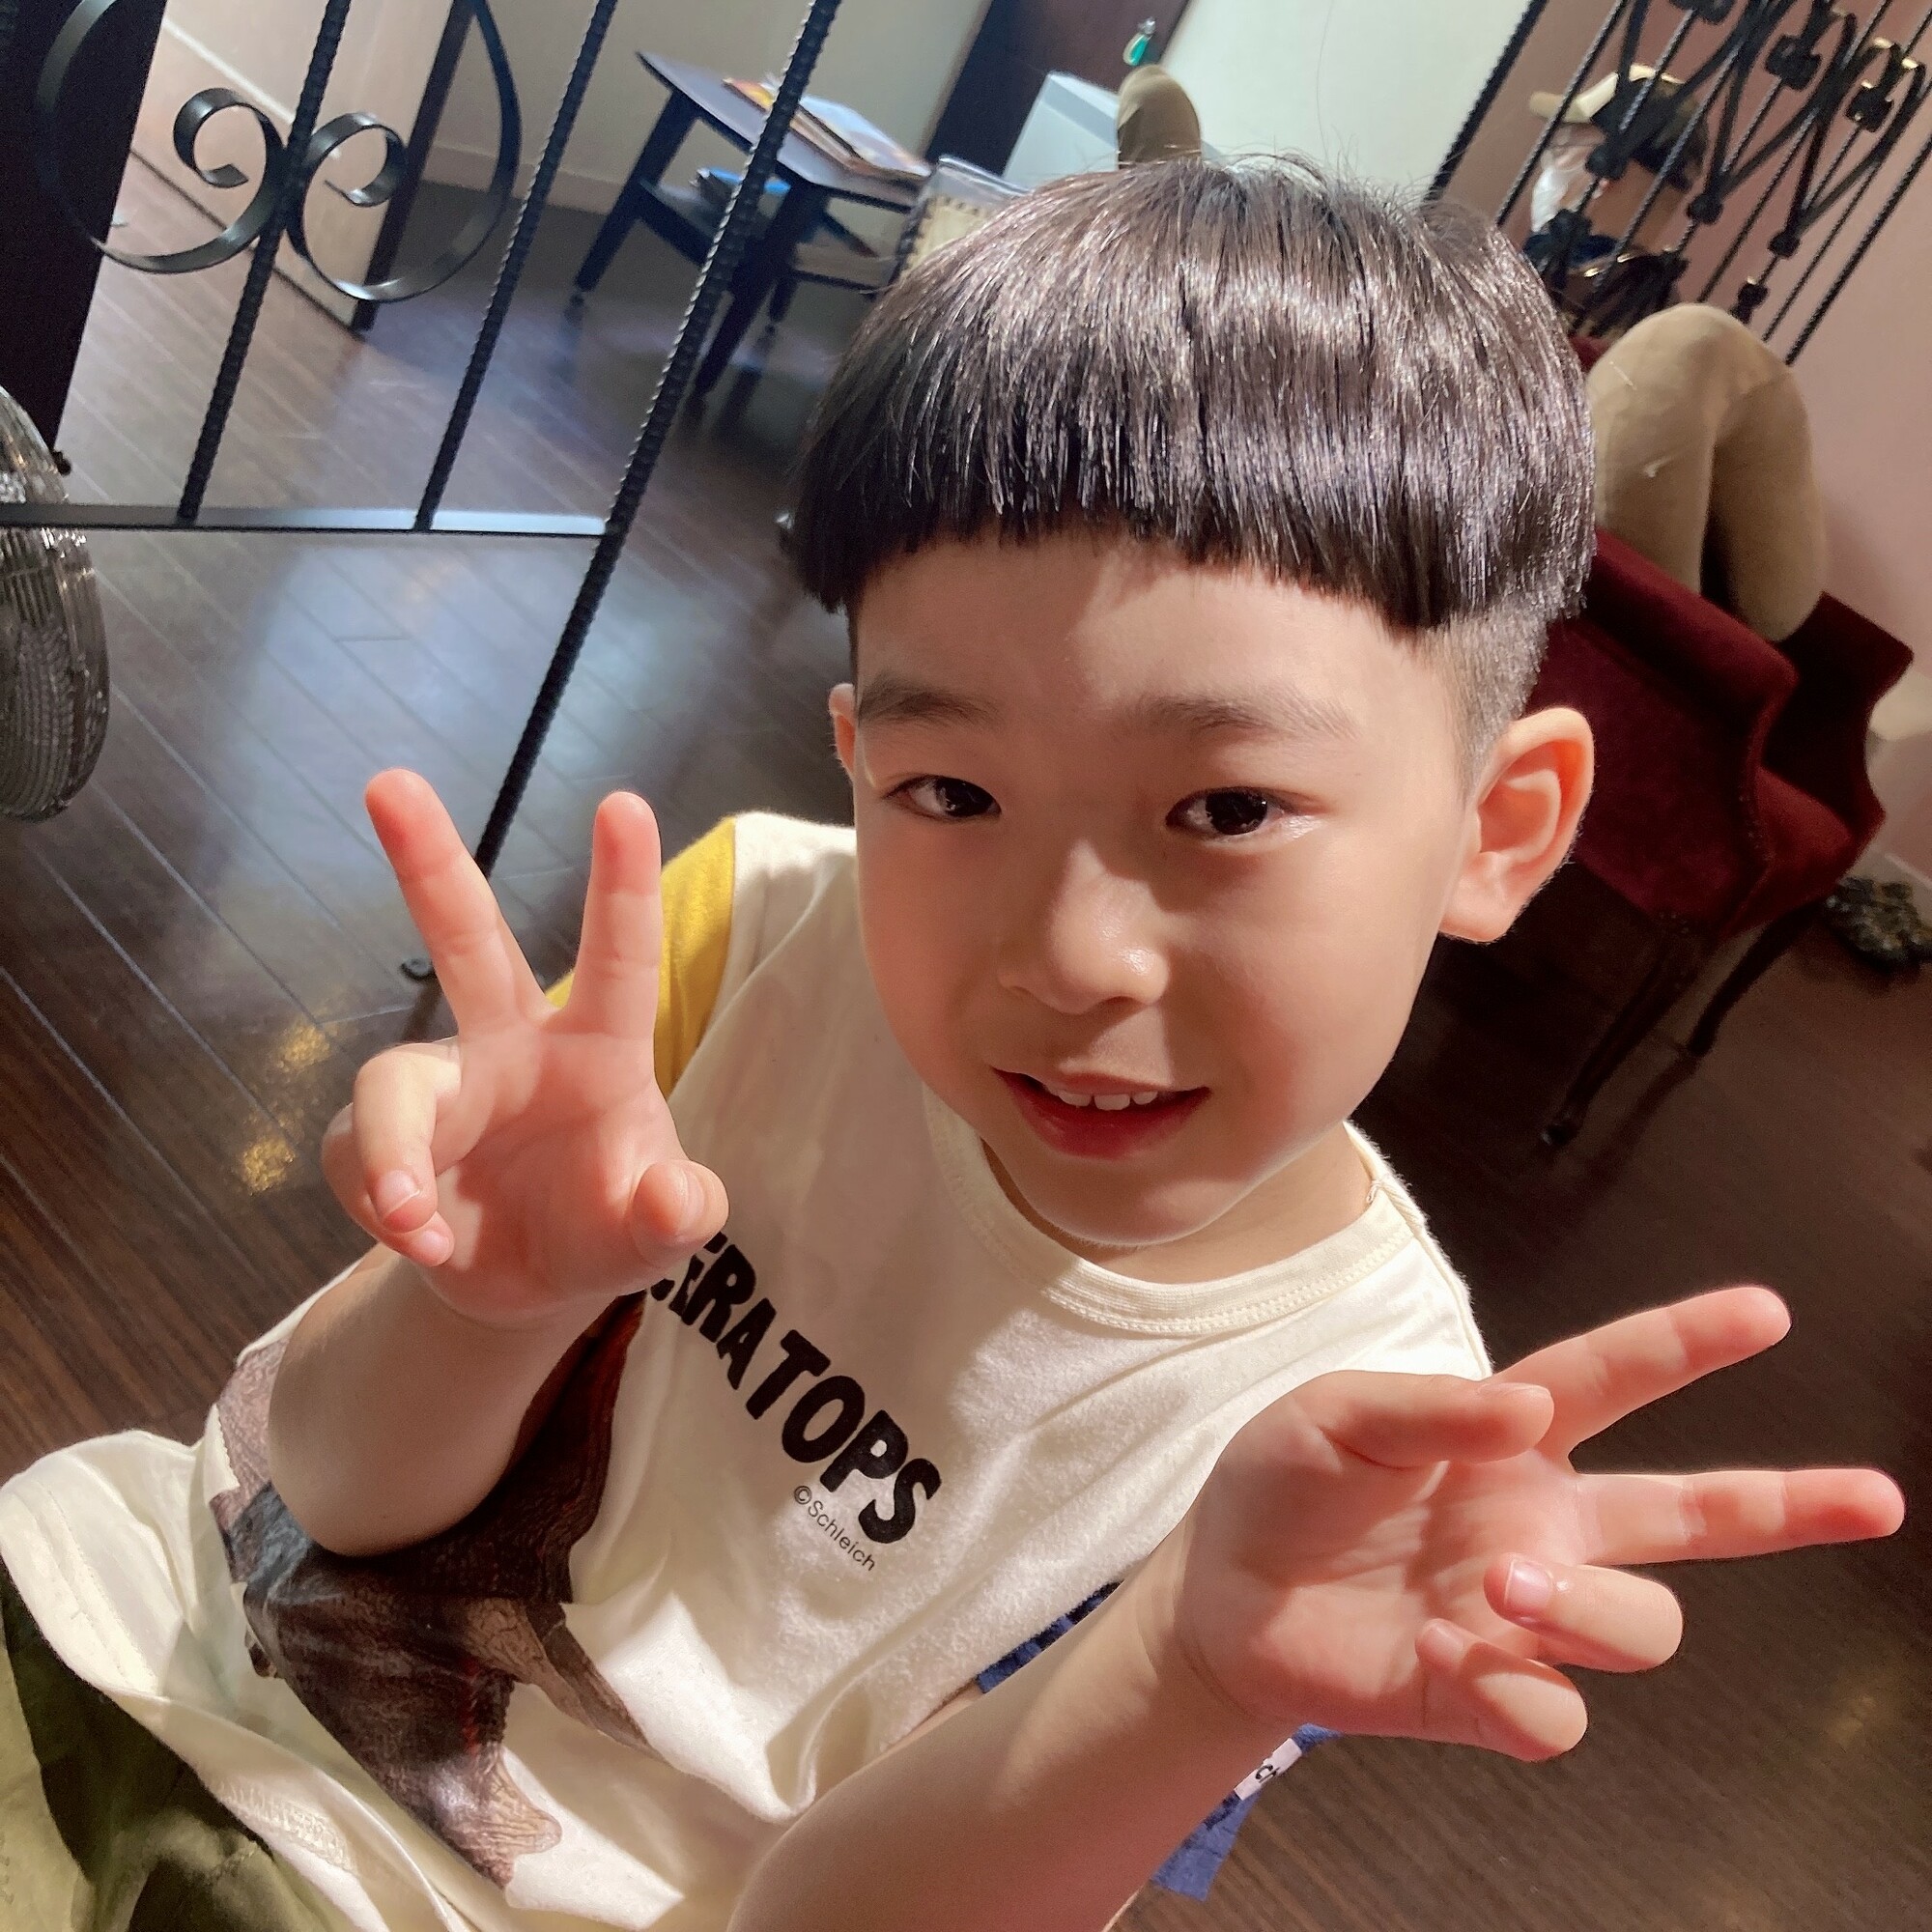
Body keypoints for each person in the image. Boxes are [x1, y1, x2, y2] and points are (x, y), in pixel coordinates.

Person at [0, 159, 1903, 1932]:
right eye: (953, 791)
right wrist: (487, 1299)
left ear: (1498, 826)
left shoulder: (1364, 1428)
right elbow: (327, 1499)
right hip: (145, 1644)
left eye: (1228, 809)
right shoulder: (759, 935)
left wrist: (1181, 1678)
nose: (1067, 954)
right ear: (857, 757)